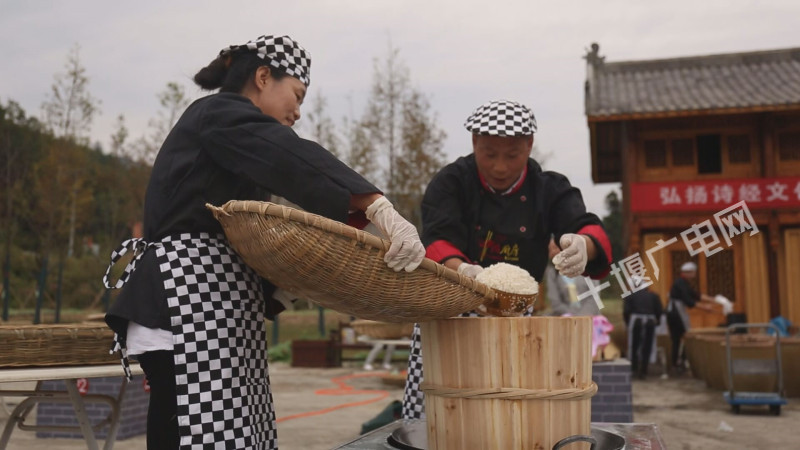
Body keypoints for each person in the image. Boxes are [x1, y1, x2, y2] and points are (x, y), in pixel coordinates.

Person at [102, 35, 425, 450]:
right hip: (182, 308)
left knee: (239, 433)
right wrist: (374, 203)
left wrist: (285, 286)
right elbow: (288, 157)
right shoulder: (217, 113)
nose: (298, 111)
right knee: (194, 437)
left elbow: (263, 223)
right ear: (262, 76)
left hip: (218, 310)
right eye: (296, 94)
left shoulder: (237, 150)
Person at [401, 99, 613, 419]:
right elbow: (436, 239)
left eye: (512, 155)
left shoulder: (549, 188)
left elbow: (585, 225)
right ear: (474, 143)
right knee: (440, 410)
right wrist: (467, 273)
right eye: (489, 154)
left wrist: (584, 244)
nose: (500, 167)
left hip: (515, 319)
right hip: (449, 312)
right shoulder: (451, 182)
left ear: (529, 146)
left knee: (506, 412)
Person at [666, 261, 715, 372]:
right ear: (688, 273)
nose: (695, 274)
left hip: (677, 312)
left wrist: (713, 299)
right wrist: (705, 308)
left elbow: (695, 295)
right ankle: (677, 362)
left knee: (682, 337)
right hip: (676, 313)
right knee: (681, 337)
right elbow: (689, 301)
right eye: (693, 272)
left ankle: (680, 361)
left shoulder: (684, 283)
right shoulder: (680, 283)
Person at [624, 276, 663, 379]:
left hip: (636, 322)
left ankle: (634, 369)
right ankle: (644, 370)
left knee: (634, 345)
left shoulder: (630, 296)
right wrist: (657, 321)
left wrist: (628, 324)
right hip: (650, 322)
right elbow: (659, 311)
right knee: (647, 346)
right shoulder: (654, 296)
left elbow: (626, 312)